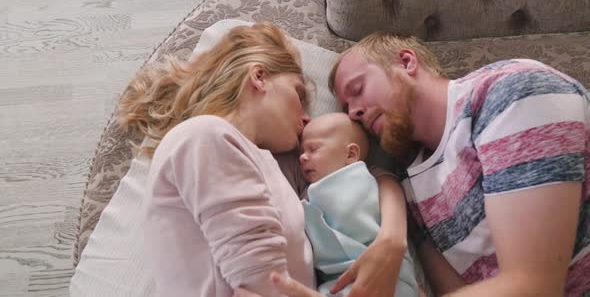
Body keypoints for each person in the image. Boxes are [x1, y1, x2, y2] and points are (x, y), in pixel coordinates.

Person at [254, 33, 589, 297]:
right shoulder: (411, 186)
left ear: (406, 61)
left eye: (357, 89)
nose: (353, 111)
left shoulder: (510, 92)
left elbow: (533, 287)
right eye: (346, 107)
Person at [116, 22, 410, 297]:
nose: (307, 118)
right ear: (259, 78)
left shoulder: (265, 163)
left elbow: (367, 173)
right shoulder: (205, 136)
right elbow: (265, 285)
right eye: (298, 93)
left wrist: (393, 237)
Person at [299, 112, 419, 297]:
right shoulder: (306, 192)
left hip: (387, 272)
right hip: (340, 279)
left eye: (313, 149)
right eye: (301, 152)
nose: (302, 158)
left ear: (351, 153)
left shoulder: (369, 178)